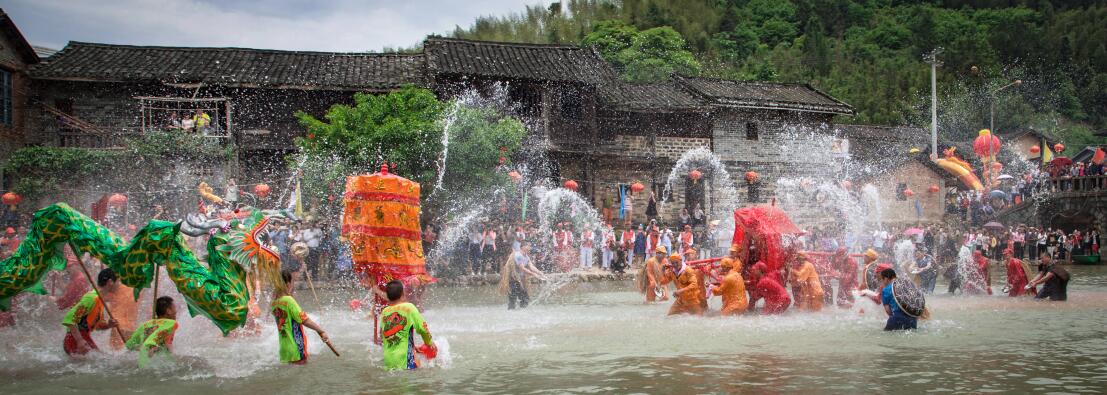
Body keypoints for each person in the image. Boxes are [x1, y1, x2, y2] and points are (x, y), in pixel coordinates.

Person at [272, 270, 330, 365]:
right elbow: (305, 320)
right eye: (292, 282)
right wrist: (321, 331)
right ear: (287, 283)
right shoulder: (289, 300)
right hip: (295, 348)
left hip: (284, 349)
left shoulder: (274, 302)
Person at [379, 280, 437, 370]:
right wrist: (429, 343)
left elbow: (383, 336)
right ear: (403, 294)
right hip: (405, 361)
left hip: (388, 361)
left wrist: (413, 347)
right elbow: (422, 328)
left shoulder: (384, 311)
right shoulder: (409, 307)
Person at [62, 268, 119, 356]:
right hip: (74, 340)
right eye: (118, 282)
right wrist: (80, 341)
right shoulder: (92, 298)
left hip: (83, 337)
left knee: (104, 359)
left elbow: (97, 326)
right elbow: (69, 319)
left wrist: (108, 325)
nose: (119, 285)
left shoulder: (100, 299)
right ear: (110, 282)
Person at [125, 296, 179, 368]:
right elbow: (165, 343)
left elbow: (130, 344)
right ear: (168, 311)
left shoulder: (146, 324)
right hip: (160, 365)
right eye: (174, 308)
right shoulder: (171, 323)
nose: (176, 311)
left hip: (143, 361)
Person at [499, 242, 544, 309]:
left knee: (525, 298)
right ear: (523, 247)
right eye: (528, 246)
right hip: (513, 280)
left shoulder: (526, 257)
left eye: (530, 246)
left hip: (519, 280)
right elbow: (522, 268)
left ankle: (521, 313)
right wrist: (534, 274)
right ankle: (511, 314)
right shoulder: (518, 255)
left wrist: (540, 273)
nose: (530, 248)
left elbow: (531, 267)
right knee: (513, 299)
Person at [710, 245, 748, 315]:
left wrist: (711, 287)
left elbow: (718, 292)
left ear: (725, 268)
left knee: (721, 317)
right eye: (731, 252)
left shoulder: (730, 275)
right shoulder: (736, 274)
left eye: (733, 252)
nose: (731, 253)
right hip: (743, 303)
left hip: (735, 305)